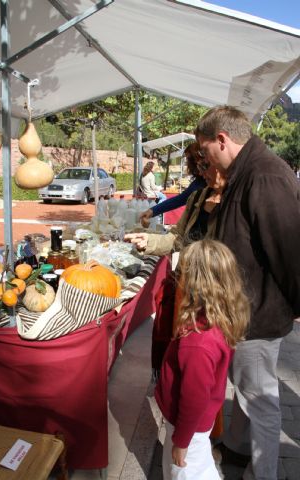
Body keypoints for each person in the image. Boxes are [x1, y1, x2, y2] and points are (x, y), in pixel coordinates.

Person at [195, 105, 300, 480]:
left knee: (261, 401)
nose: (206, 160)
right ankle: (238, 448)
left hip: (258, 312)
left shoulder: (265, 175)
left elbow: (289, 249)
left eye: (205, 151)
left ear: (222, 140)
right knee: (246, 386)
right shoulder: (246, 171)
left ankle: (265, 473)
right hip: (244, 308)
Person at [156, 239, 250, 480]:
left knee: (187, 472)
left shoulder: (198, 343)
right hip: (190, 428)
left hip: (187, 429)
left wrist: (181, 441)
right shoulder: (214, 320)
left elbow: (194, 397)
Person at [140, 143, 206, 228]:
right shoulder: (198, 182)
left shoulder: (204, 183)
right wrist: (152, 211)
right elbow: (180, 199)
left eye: (189, 160)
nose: (188, 165)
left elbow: (180, 199)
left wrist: (152, 211)